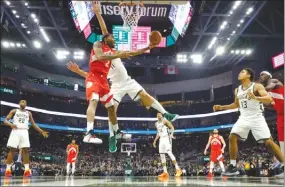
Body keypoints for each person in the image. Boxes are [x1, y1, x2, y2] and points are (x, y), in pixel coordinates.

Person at [79, 2, 159, 153]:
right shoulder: (98, 44)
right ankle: (89, 132)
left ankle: (116, 132)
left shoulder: (112, 49)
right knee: (94, 101)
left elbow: (131, 53)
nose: (115, 40)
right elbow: (101, 55)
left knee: (111, 109)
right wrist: (97, 13)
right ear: (106, 39)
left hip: (104, 81)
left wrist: (146, 48)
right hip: (94, 77)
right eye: (112, 39)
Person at [213, 68, 284, 176]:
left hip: (257, 117)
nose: (239, 73)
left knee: (269, 143)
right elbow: (236, 105)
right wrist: (221, 107)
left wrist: (255, 97)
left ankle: (283, 163)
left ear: (249, 75)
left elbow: (269, 99)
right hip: (244, 118)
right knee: (232, 136)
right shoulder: (238, 90)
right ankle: (233, 166)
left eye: (242, 72)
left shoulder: (257, 86)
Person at [4, 100, 49, 177]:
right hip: (16, 130)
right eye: (22, 101)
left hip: (24, 131)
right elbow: (5, 120)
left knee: (25, 150)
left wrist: (42, 132)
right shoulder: (14, 111)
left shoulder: (28, 113)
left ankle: (27, 170)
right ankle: (8, 170)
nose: (23, 102)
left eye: (25, 102)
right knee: (12, 150)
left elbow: (33, 124)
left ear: (26, 105)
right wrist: (10, 124)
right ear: (19, 103)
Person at [259, 71, 284, 156]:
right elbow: (272, 106)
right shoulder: (267, 92)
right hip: (280, 115)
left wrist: (255, 92)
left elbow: (269, 87)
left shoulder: (273, 81)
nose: (261, 76)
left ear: (269, 75)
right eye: (260, 75)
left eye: (263, 74)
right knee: (281, 139)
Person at [153, 113, 182, 178]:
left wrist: (172, 134)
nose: (158, 116)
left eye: (159, 115)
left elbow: (172, 127)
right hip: (161, 140)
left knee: (169, 153)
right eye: (157, 115)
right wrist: (155, 141)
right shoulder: (156, 124)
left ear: (162, 116)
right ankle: (165, 172)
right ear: (156, 116)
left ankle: (178, 169)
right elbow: (158, 133)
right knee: (162, 155)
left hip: (166, 138)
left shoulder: (165, 121)